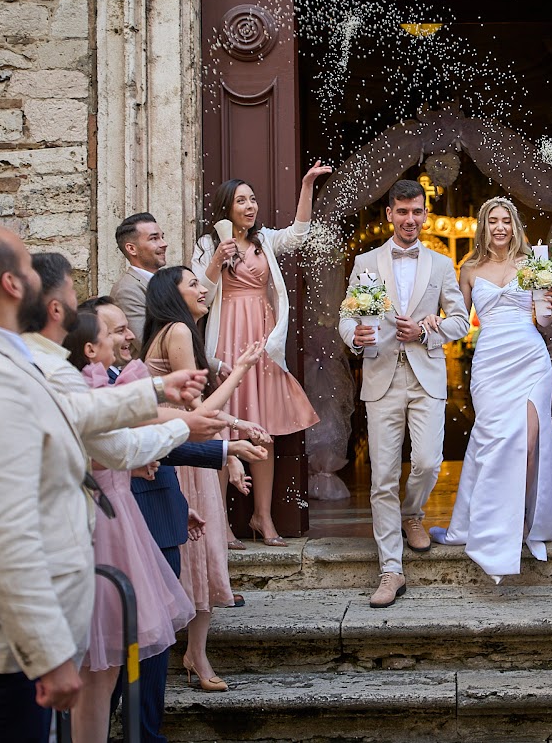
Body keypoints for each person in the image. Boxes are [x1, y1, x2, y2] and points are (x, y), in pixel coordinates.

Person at [0, 227, 204, 743]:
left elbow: (66, 410)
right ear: (13, 285)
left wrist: (154, 390)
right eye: (29, 267)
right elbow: (1, 531)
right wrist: (49, 654)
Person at [80, 297, 263, 743]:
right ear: (88, 344)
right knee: (113, 658)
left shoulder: (117, 382)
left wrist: (188, 487)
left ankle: (141, 733)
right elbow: (136, 444)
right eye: (116, 330)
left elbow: (152, 436)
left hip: (150, 512)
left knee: (144, 647)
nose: (130, 336)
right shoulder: (87, 390)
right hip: (114, 527)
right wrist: (225, 441)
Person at [430, 196, 552, 581]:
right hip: (490, 363)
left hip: (530, 359)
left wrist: (548, 304)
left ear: (514, 226)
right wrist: (431, 323)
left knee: (528, 444)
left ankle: (523, 522)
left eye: (506, 221)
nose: (500, 227)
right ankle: (491, 523)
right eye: (492, 221)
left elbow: (544, 322)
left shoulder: (534, 265)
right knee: (495, 442)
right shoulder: (468, 269)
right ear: (483, 227)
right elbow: (459, 323)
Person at [337, 179, 470, 606]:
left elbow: (460, 321)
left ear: (425, 215)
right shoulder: (366, 262)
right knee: (382, 477)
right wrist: (354, 336)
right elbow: (346, 317)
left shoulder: (441, 265)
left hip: (426, 376)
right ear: (390, 214)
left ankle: (412, 513)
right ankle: (390, 570)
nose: (409, 219)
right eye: (402, 211)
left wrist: (427, 333)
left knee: (428, 463)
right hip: (381, 379)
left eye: (416, 212)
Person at [143, 266, 268, 691]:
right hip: (185, 456)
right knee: (200, 550)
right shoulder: (178, 330)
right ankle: (193, 653)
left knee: (201, 550)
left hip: (188, 448)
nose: (203, 289)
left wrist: (229, 449)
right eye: (193, 284)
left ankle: (193, 652)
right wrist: (234, 438)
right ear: (172, 295)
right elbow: (197, 409)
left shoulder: (177, 330)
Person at [193, 163, 329, 547]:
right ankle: (220, 522)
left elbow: (299, 234)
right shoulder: (207, 245)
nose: (250, 206)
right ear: (226, 207)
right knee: (223, 431)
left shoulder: (264, 240)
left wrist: (307, 184)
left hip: (263, 340)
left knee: (263, 429)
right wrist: (216, 261)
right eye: (241, 201)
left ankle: (262, 516)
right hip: (228, 339)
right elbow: (198, 294)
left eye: (252, 200)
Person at [20, 254, 228, 470]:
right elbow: (119, 447)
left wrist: (159, 389)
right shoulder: (55, 371)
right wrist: (185, 425)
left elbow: (102, 409)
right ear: (56, 309)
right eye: (72, 291)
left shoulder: (35, 359)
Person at [110, 212, 168, 345]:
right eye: (154, 238)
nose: (164, 244)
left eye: (162, 237)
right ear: (131, 249)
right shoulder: (127, 291)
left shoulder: (166, 282)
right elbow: (147, 344)